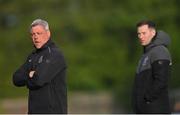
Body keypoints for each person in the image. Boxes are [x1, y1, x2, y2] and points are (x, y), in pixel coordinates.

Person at [13, 19, 67, 114]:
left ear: (48, 33)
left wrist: (30, 77)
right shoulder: (32, 56)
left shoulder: (54, 54)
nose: (36, 37)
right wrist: (30, 75)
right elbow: (16, 78)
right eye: (33, 34)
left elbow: (38, 80)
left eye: (39, 33)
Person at [132, 20, 172, 113]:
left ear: (153, 32)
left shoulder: (159, 51)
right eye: (139, 34)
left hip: (155, 109)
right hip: (145, 110)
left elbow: (162, 80)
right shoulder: (146, 54)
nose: (140, 36)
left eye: (143, 33)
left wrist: (147, 99)